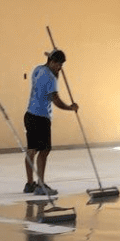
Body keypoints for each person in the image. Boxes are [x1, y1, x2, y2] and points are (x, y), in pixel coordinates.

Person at [23, 49, 78, 195]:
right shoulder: (50, 79)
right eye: (58, 64)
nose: (60, 67)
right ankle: (41, 185)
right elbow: (56, 100)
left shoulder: (38, 69)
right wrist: (70, 108)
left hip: (29, 115)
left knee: (31, 150)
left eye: (61, 65)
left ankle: (30, 184)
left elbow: (52, 75)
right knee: (44, 150)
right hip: (41, 118)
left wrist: (51, 60)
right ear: (52, 62)